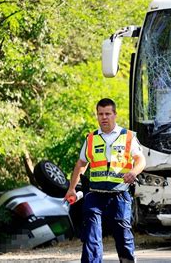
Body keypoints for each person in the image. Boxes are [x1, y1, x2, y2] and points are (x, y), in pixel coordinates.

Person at [64, 98, 146, 263]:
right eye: (100, 114)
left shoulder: (128, 136)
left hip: (120, 194)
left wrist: (134, 171)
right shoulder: (91, 139)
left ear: (115, 114)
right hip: (95, 195)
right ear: (97, 116)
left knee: (123, 235)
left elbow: (141, 160)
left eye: (108, 113)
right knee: (91, 235)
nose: (104, 117)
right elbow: (81, 163)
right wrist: (72, 188)